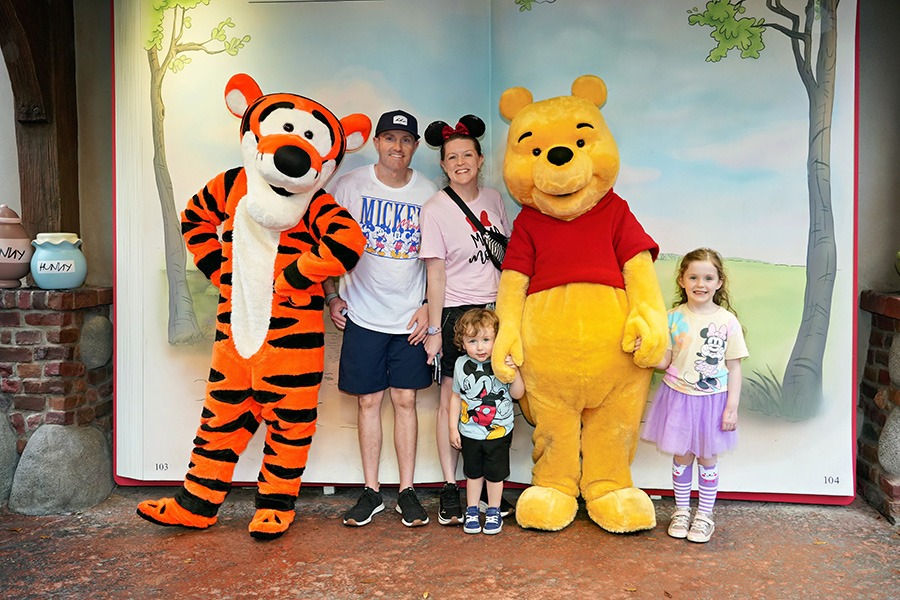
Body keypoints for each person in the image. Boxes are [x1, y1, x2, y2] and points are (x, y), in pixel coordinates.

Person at [324, 109, 438, 528]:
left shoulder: (428, 192)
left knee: (406, 401)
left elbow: (436, 259)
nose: (397, 147)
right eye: (389, 138)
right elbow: (325, 245)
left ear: (415, 147)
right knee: (368, 401)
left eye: (406, 140)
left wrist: (429, 305)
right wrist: (332, 295)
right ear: (376, 142)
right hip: (363, 316)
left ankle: (407, 491)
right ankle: (371, 492)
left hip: (409, 319)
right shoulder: (350, 187)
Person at [419, 114, 513, 525]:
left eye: (467, 155)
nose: (460, 162)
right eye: (451, 157)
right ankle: (450, 488)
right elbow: (435, 272)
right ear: (442, 165)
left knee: (498, 396)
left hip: (495, 311)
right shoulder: (435, 209)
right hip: (457, 314)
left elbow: (508, 260)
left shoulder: (494, 199)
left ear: (479, 160)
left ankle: (492, 493)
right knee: (451, 402)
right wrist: (437, 329)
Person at [640, 248, 748, 543]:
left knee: (708, 457)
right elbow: (664, 362)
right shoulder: (672, 318)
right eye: (694, 277)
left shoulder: (728, 322)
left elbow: (734, 368)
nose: (701, 284)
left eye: (708, 277)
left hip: (713, 401)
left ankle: (704, 515)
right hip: (677, 397)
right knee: (682, 455)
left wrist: (732, 408)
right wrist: (645, 349)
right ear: (682, 280)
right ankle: (682, 511)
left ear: (719, 282)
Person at [448, 309, 524, 535]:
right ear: (462, 341)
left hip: (498, 434)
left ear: (496, 340)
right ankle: (472, 510)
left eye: (486, 340)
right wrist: (453, 428)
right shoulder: (461, 364)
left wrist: (515, 370)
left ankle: (492, 510)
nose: (480, 348)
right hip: (470, 432)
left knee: (495, 475)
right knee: (472, 474)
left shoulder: (502, 364)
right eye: (472, 341)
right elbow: (455, 397)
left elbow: (518, 394)